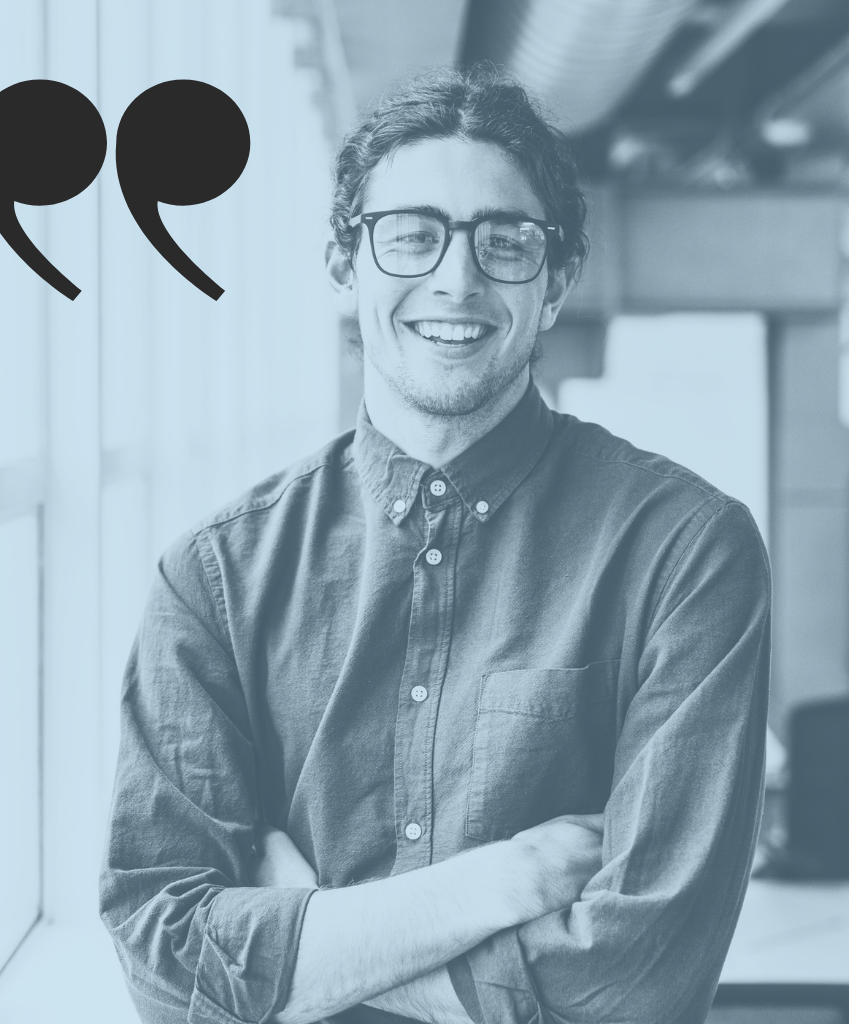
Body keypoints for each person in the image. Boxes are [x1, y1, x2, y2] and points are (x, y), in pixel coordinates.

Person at [100, 66, 770, 1024]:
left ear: (555, 283)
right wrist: (494, 888)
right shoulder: (214, 579)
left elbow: (633, 984)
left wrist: (308, 933)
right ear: (346, 264)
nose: (455, 279)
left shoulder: (686, 553)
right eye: (412, 236)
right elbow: (161, 953)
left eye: (506, 243)